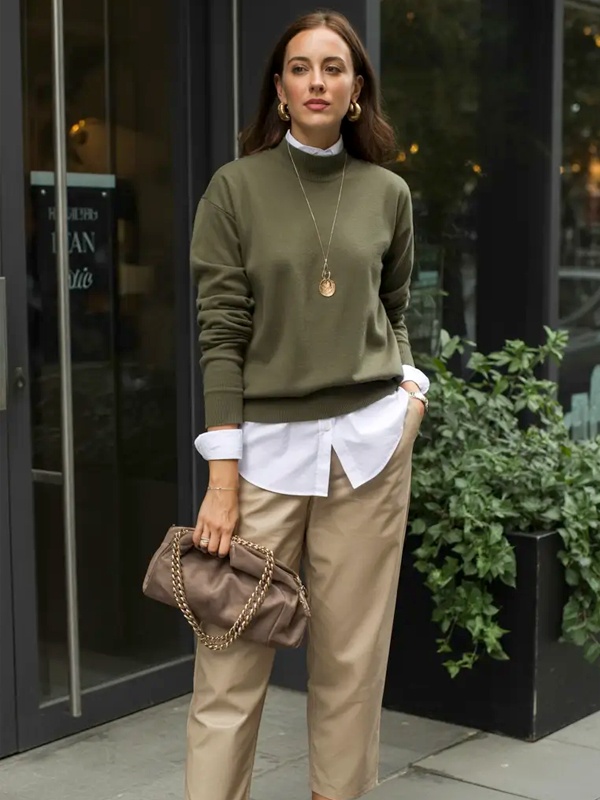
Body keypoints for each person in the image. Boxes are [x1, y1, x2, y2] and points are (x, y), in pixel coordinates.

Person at [186, 10, 430, 800]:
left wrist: (409, 393)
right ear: (280, 89)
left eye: (334, 67)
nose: (317, 81)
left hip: (367, 449)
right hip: (263, 457)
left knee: (352, 665)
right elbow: (221, 332)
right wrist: (222, 478)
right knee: (231, 658)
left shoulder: (387, 192)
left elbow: (392, 307)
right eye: (300, 67)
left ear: (357, 89)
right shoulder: (236, 188)